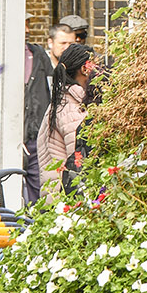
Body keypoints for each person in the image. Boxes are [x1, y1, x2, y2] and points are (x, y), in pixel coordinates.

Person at [37, 42, 95, 194]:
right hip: (63, 198)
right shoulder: (71, 110)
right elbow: (79, 160)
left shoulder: (62, 103)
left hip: (54, 193)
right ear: (85, 68)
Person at [23, 16, 54, 204]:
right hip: (11, 138)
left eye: (27, 25)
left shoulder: (38, 54)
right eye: (23, 24)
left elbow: (50, 89)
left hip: (35, 137)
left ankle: (34, 228)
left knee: (39, 190)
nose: (27, 30)